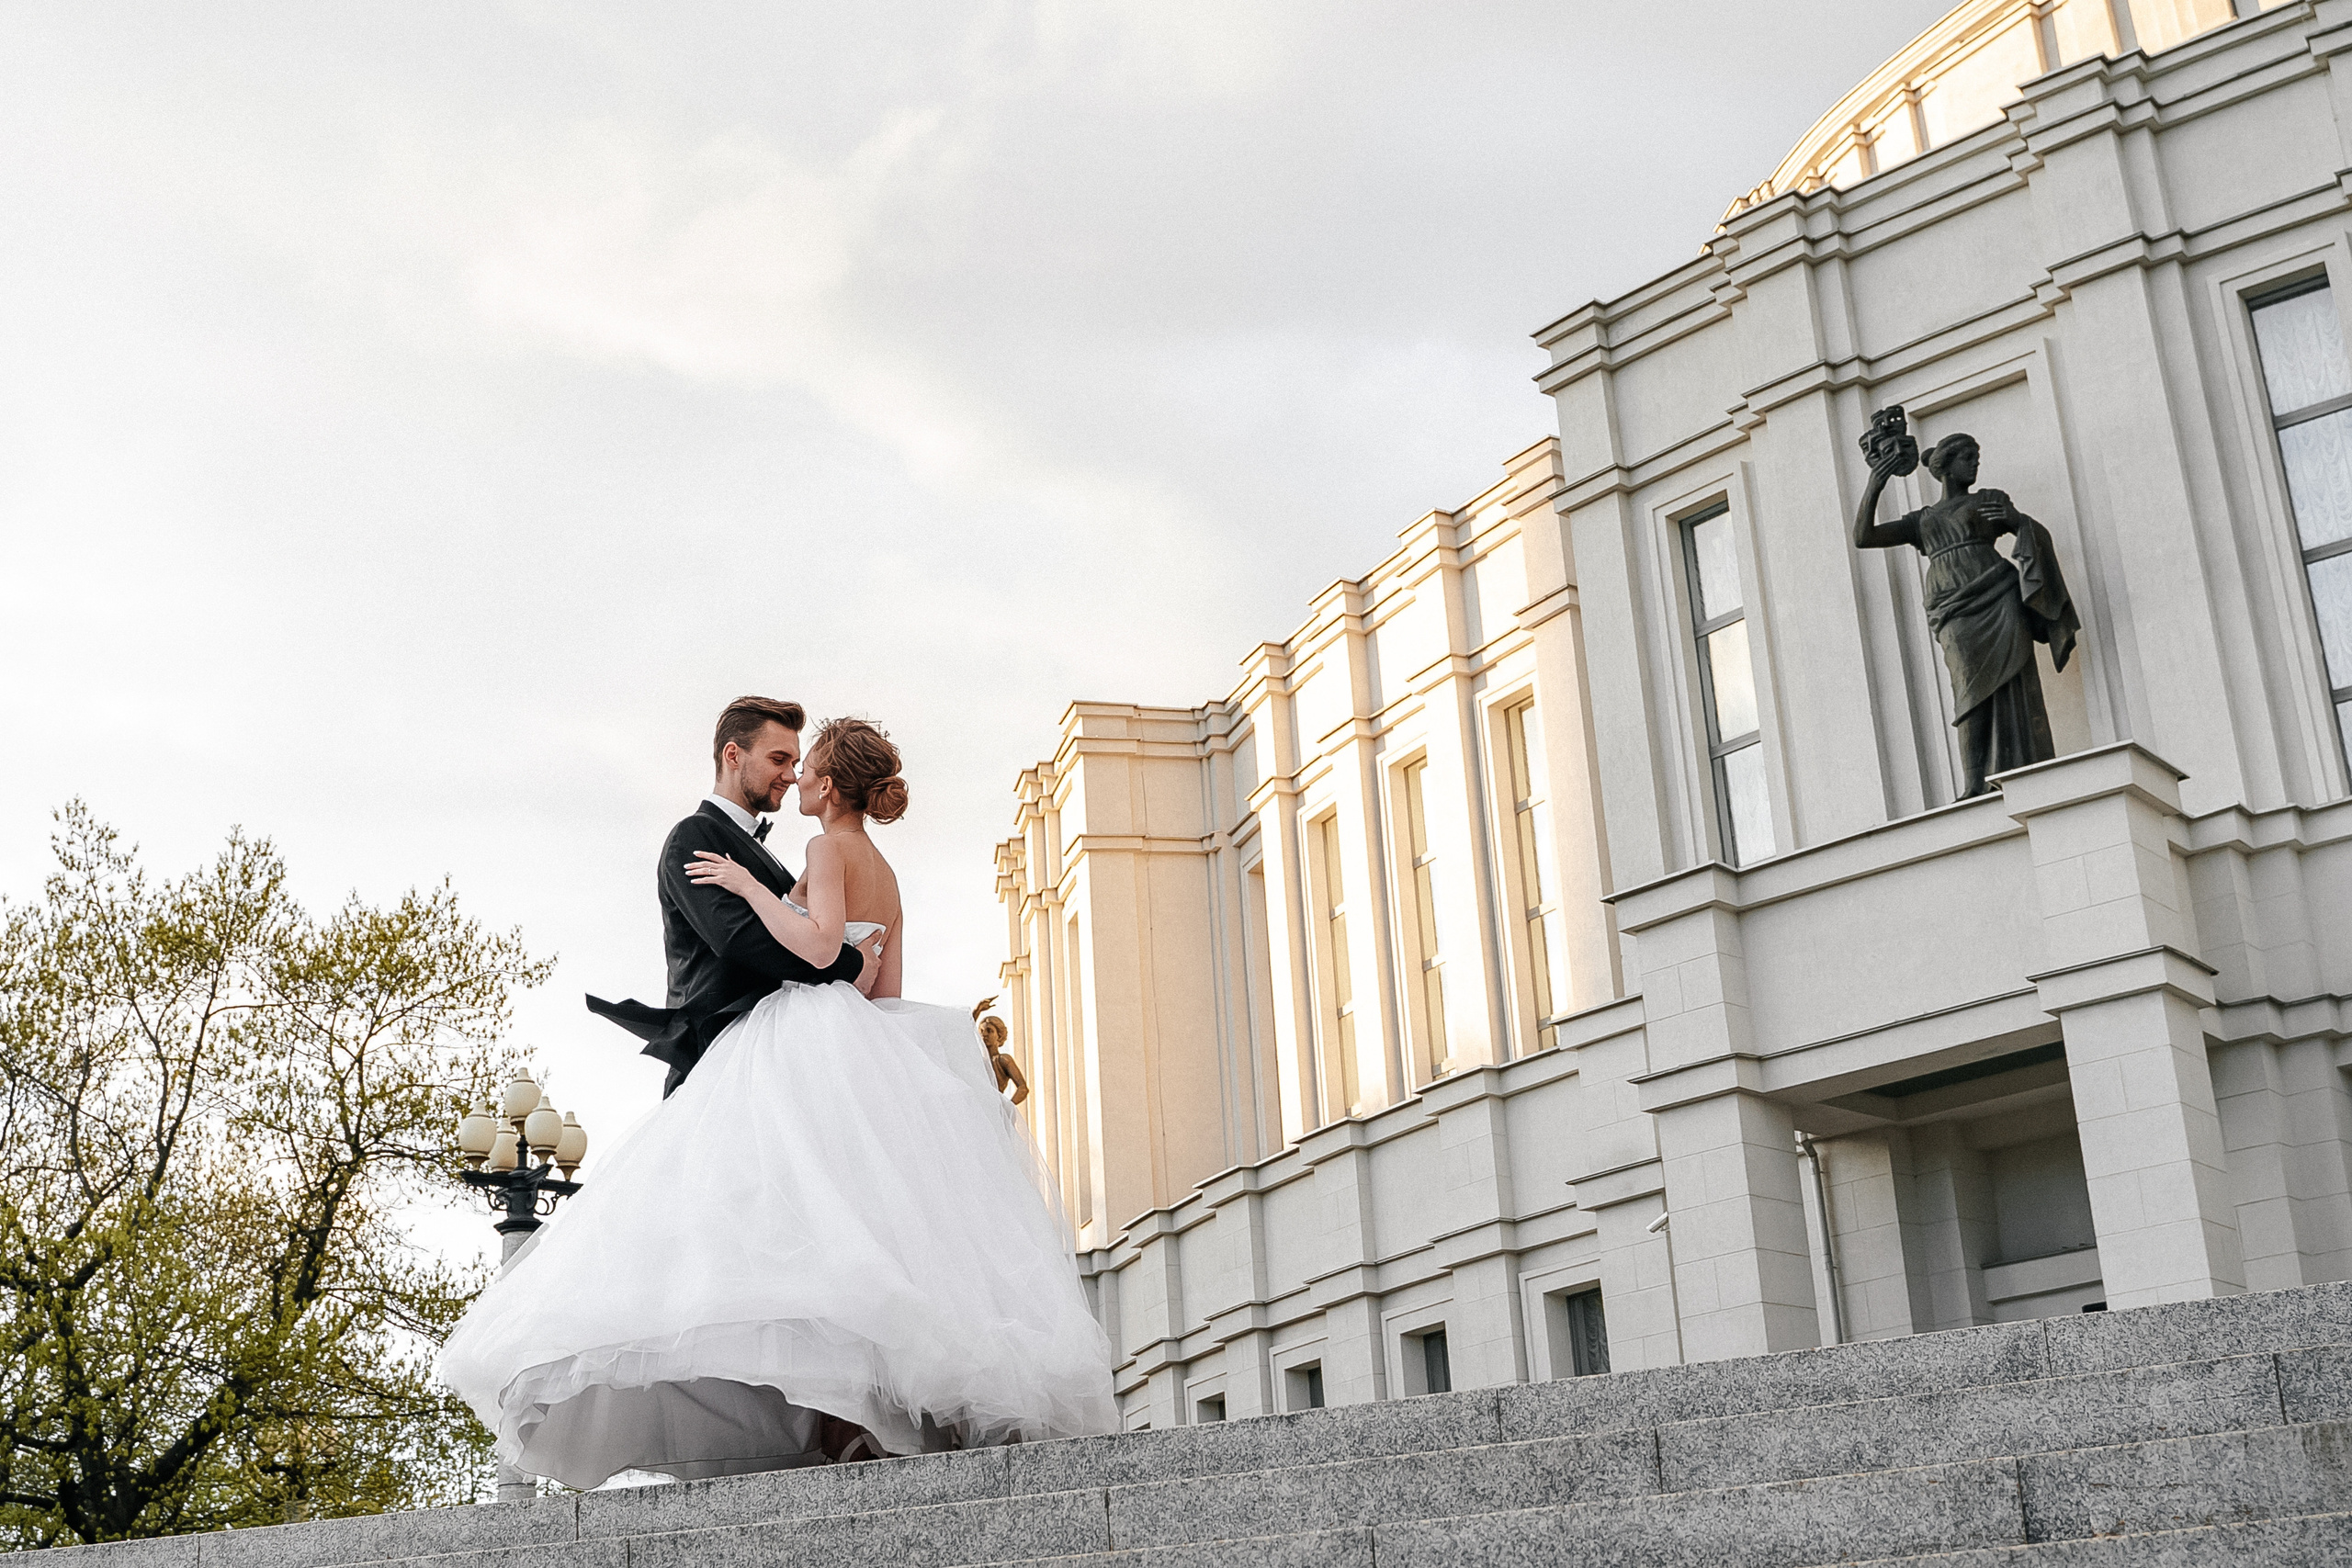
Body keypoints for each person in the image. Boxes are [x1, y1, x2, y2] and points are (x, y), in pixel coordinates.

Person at [438, 715, 1117, 1488]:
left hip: (811, 1038)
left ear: (827, 785)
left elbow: (824, 949)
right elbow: (880, 986)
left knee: (803, 1234)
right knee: (870, 1239)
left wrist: (750, 889)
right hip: (875, 1040)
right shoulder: (886, 872)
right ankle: (866, 1426)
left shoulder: (822, 847)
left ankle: (841, 1426)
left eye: (804, 766)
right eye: (782, 759)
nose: (793, 777)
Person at [587, 696, 879, 1098]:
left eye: (795, 764)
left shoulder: (768, 856)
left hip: (771, 1067)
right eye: (779, 760)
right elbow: (740, 940)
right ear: (733, 755)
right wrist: (852, 963)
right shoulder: (693, 836)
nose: (792, 776)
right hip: (715, 1067)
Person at [1853, 428, 2080, 798]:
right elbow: (1864, 536)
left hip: (1999, 594)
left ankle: (2024, 768)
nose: (1975, 463)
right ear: (1945, 466)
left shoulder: (1990, 500)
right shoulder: (1921, 521)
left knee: (2013, 681)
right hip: (1953, 607)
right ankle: (1974, 784)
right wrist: (1875, 483)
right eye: (1967, 457)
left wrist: (2018, 520)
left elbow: (2031, 533)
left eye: (1977, 457)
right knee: (1968, 691)